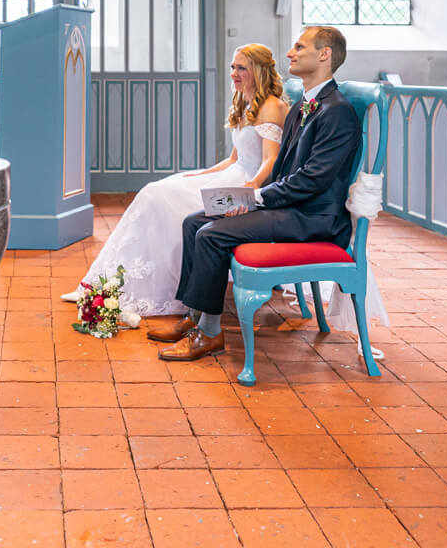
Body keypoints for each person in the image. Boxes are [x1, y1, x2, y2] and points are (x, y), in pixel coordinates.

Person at [148, 26, 361, 361]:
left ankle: (210, 334)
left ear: (325, 55)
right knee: (193, 222)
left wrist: (257, 200)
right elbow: (279, 169)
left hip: (313, 218)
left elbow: (312, 180)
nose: (290, 54)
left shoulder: (337, 111)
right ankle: (194, 317)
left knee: (212, 235)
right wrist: (245, 198)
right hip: (290, 206)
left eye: (299, 47)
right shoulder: (305, 104)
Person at [61, 44, 288, 316]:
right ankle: (102, 283)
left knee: (157, 197)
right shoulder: (244, 101)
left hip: (246, 186)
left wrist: (251, 186)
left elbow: (270, 160)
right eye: (232, 67)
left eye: (241, 68)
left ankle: (154, 287)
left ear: (259, 71)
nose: (234, 74)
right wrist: (198, 175)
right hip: (231, 174)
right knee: (155, 190)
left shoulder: (272, 105)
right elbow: (233, 159)